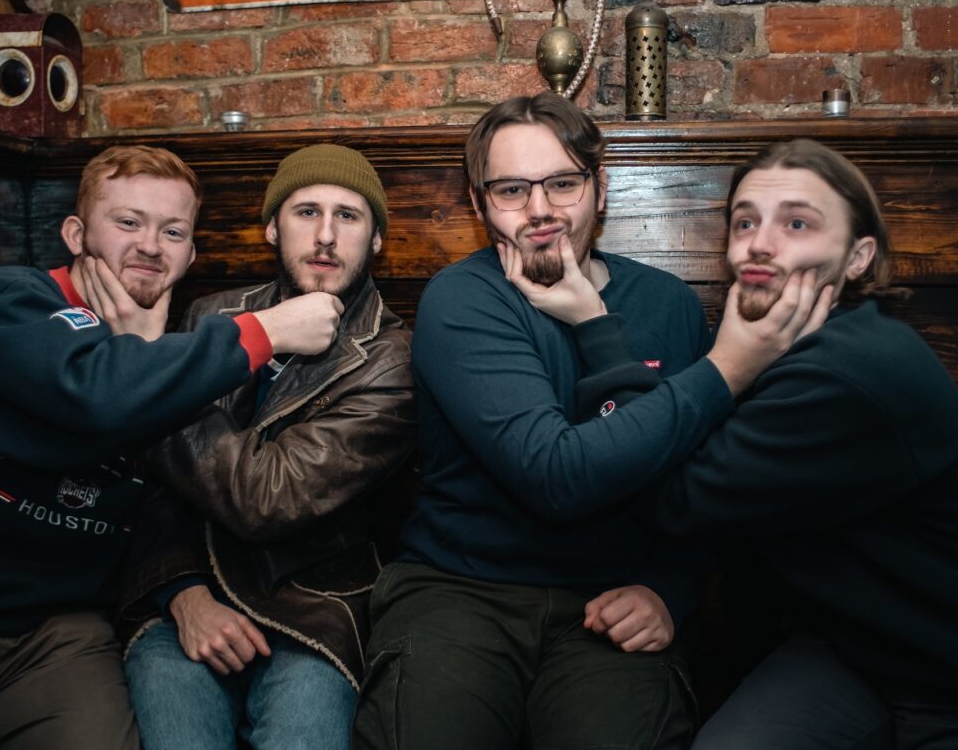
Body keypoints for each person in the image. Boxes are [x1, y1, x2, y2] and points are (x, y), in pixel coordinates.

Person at [353, 93, 826, 750]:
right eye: (513, 189)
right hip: (462, 589)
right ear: (479, 202)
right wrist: (729, 367)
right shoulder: (465, 298)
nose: (541, 209)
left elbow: (695, 477)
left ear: (600, 190)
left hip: (617, 593)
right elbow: (555, 474)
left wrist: (671, 589)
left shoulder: (666, 302)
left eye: (563, 183)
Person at [531, 139, 958, 749]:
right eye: (746, 222)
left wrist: (597, 328)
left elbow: (671, 497)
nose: (760, 242)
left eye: (798, 223)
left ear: (858, 257)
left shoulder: (849, 368)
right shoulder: (779, 347)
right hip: (851, 649)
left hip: (939, 675)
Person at [0, 145, 344, 750]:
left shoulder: (179, 356)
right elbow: (94, 392)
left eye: (172, 231)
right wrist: (271, 329)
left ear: (191, 254)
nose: (151, 246)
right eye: (128, 222)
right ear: (77, 233)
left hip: (59, 634)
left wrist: (180, 592)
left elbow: (167, 499)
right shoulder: (5, 302)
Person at [116, 144, 416, 750]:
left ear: (377, 239)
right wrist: (183, 594)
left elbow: (268, 497)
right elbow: (151, 486)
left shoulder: (393, 357)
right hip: (189, 591)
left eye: (349, 217)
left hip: (313, 611)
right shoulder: (212, 315)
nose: (326, 236)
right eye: (306, 212)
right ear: (272, 227)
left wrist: (151, 380)